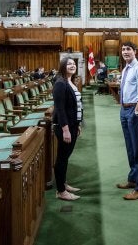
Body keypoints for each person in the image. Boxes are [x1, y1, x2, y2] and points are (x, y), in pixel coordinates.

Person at [116, 41, 138, 200]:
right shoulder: (125, 69)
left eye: (128, 49)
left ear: (135, 51)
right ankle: (133, 179)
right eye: (123, 49)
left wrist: (136, 112)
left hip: (134, 111)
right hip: (124, 110)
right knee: (130, 148)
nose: (125, 52)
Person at [52, 57, 83, 201]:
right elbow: (60, 108)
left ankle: (63, 183)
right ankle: (60, 191)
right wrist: (65, 129)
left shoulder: (70, 81)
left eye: (74, 64)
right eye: (69, 64)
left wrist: (78, 124)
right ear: (63, 66)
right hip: (64, 126)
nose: (72, 66)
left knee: (66, 157)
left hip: (72, 124)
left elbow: (75, 105)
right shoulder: (60, 83)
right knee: (62, 158)